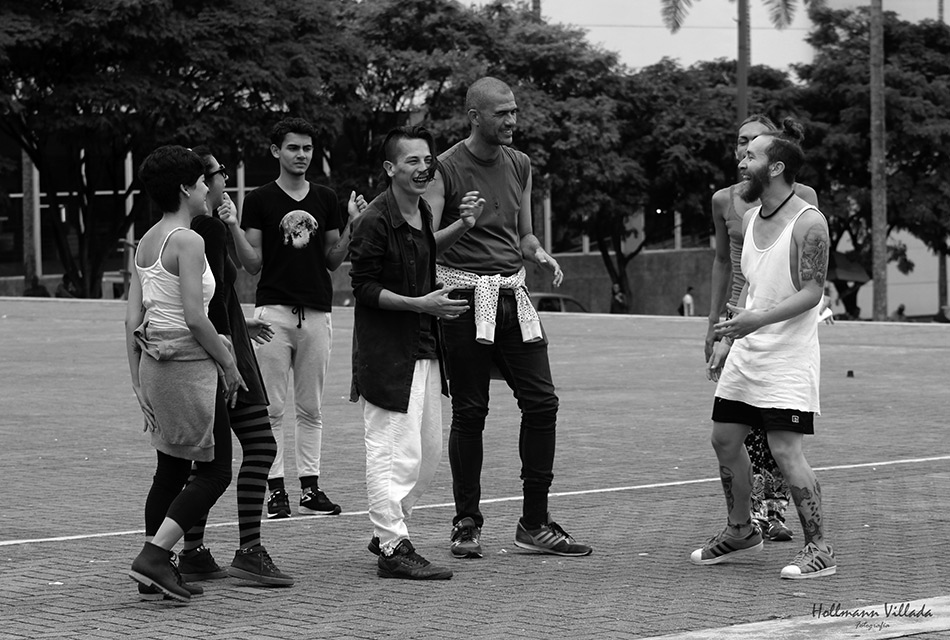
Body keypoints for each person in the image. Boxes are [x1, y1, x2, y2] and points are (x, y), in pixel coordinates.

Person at [426, 76, 592, 559]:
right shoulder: (444, 169)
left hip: (512, 297)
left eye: (515, 111)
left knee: (542, 404)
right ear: (475, 116)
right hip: (461, 296)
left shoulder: (521, 163)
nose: (513, 121)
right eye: (503, 113)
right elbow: (427, 243)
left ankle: (535, 522)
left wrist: (540, 253)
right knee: (470, 411)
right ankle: (466, 522)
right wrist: (463, 223)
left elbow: (523, 235)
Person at [697, 118, 836, 580]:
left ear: (775, 167)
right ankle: (741, 530)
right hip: (748, 350)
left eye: (751, 155)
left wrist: (757, 321)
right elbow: (751, 288)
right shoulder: (753, 216)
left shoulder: (808, 222)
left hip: (788, 356)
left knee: (784, 450)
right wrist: (727, 336)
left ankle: (819, 548)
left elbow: (812, 292)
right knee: (724, 439)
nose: (741, 160)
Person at [350, 125, 480, 580]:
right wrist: (418, 304)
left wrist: (461, 226)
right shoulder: (374, 220)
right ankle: (391, 544)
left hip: (424, 347)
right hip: (387, 355)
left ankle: (389, 527)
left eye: (427, 160)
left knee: (425, 456)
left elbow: (425, 251)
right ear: (390, 168)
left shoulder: (423, 212)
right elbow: (362, 288)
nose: (424, 168)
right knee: (391, 451)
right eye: (412, 161)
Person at [223, 118, 365, 519]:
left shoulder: (325, 197)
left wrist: (352, 223)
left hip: (318, 313)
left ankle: (310, 488)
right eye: (293, 148)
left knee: (311, 407)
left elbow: (333, 259)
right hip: (273, 315)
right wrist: (233, 225)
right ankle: (275, 491)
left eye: (307, 148)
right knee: (271, 408)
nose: (301, 155)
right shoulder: (260, 199)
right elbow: (252, 264)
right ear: (275, 151)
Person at [125, 145, 243, 602]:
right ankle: (155, 556)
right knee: (214, 471)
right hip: (191, 367)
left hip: (158, 367)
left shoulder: (148, 239)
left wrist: (137, 380)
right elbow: (196, 316)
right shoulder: (188, 240)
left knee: (170, 470)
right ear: (183, 188)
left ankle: (156, 570)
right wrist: (229, 363)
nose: (207, 188)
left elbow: (133, 318)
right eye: (200, 181)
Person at [172, 147, 293, 587]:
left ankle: (194, 551)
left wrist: (243, 320)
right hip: (224, 354)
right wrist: (228, 360)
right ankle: (248, 548)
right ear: (199, 183)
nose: (221, 180)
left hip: (222, 343)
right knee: (259, 446)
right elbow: (213, 299)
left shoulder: (190, 229)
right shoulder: (207, 228)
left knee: (207, 457)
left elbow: (213, 296)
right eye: (217, 174)